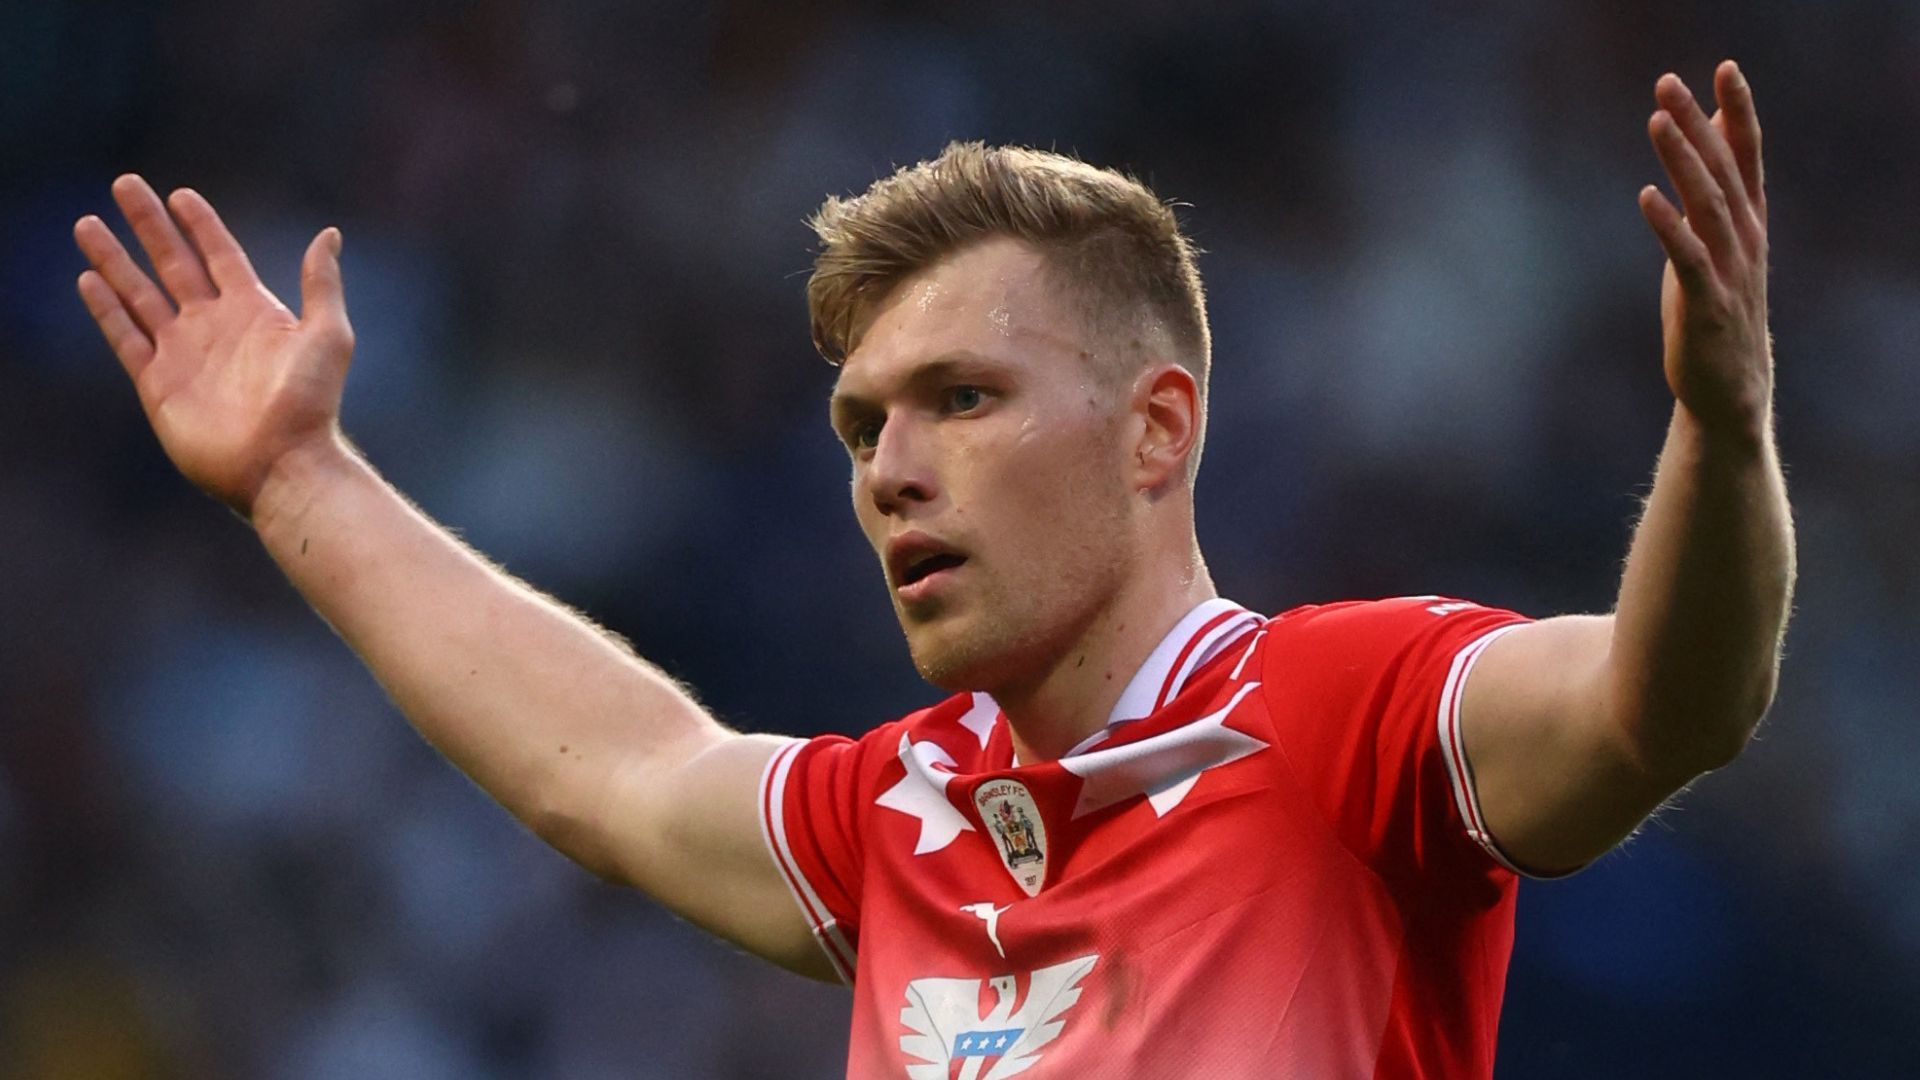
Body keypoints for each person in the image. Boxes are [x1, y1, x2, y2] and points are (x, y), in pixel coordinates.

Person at [71, 58, 1792, 1078]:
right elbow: (615, 770)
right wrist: (296, 480)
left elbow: (1669, 707)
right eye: (861, 425)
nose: (892, 469)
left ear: (1155, 432)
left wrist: (1720, 432)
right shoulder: (897, 816)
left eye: (961, 400)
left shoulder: (1348, 713)